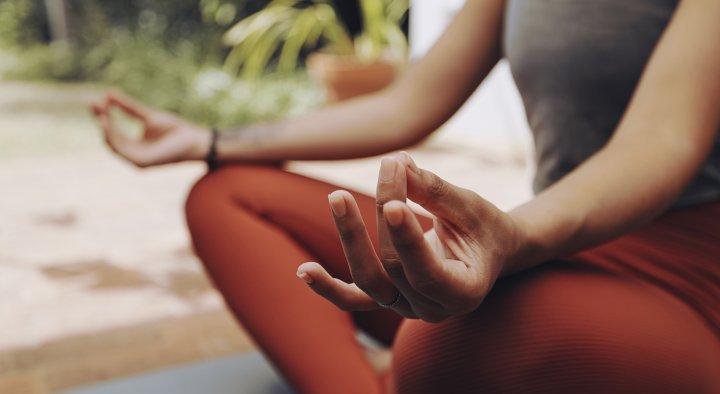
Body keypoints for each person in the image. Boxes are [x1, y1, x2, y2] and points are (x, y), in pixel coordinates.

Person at [90, 0, 720, 392]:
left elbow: (661, 141)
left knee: (442, 345)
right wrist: (212, 138)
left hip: (687, 281)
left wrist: (508, 237)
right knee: (229, 196)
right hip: (563, 250)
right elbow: (406, 104)